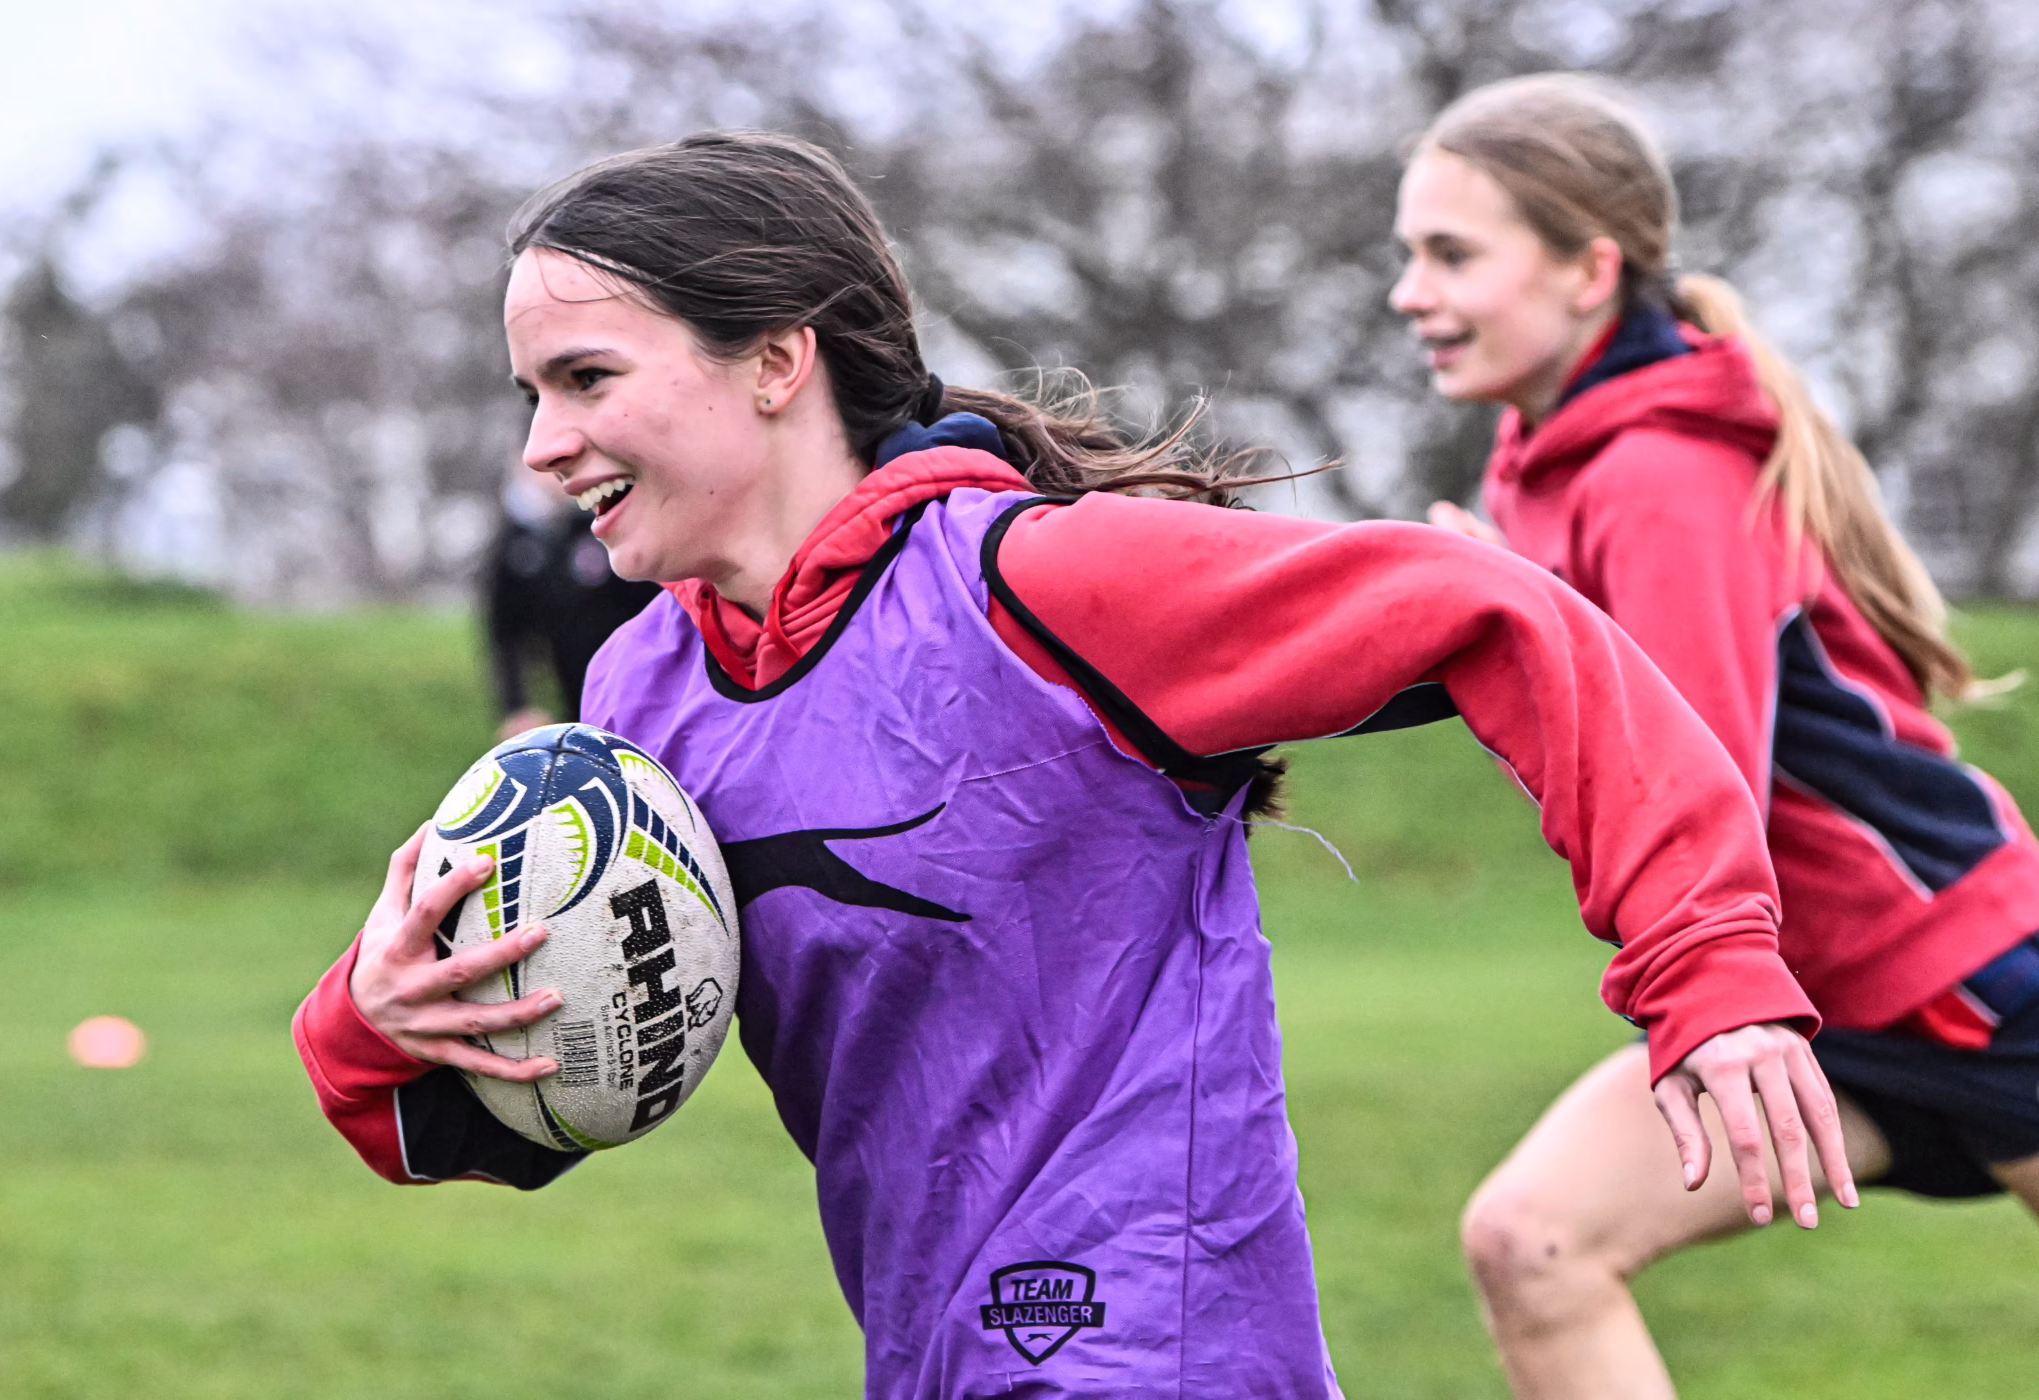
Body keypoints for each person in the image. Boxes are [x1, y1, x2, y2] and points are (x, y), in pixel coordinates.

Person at [294, 130, 1853, 1400]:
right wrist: (376, 1020)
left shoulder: (1041, 584)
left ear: (773, 361)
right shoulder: (642, 700)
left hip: (1158, 1346)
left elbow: (1503, 613)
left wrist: (1705, 965)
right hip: (928, 1351)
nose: (542, 448)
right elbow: (523, 1111)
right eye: (531, 395)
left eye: (587, 380)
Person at [1392, 73, 2039, 1400]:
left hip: (1962, 980)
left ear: (1590, 271)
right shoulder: (1542, 456)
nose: (1411, 293)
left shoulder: (1660, 475)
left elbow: (1690, 790)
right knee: (1535, 1243)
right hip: (1808, 999)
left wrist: (1506, 633)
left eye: (1452, 255)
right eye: (1409, 255)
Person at [484, 458, 662, 738]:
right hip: (575, 700)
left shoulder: (609, 522)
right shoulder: (517, 540)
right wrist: (518, 706)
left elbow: (656, 609)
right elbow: (505, 631)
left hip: (640, 691)